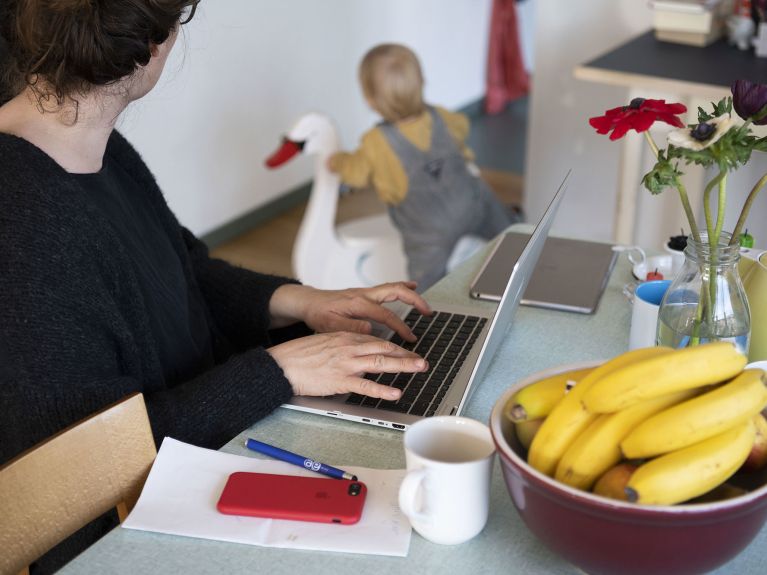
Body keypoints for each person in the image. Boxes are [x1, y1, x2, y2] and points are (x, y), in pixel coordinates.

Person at [0, 2, 431, 571]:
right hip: (118, 533)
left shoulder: (96, 149)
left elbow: (184, 268)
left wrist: (303, 302)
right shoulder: (23, 226)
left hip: (198, 452)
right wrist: (279, 371)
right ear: (154, 46)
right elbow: (85, 467)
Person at [328, 43, 520, 292]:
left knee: (426, 284)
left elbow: (355, 174)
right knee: (502, 223)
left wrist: (337, 160)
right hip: (472, 207)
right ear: (422, 83)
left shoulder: (376, 143)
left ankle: (426, 314)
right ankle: (517, 241)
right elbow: (463, 127)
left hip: (428, 233)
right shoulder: (442, 117)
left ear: (370, 99)